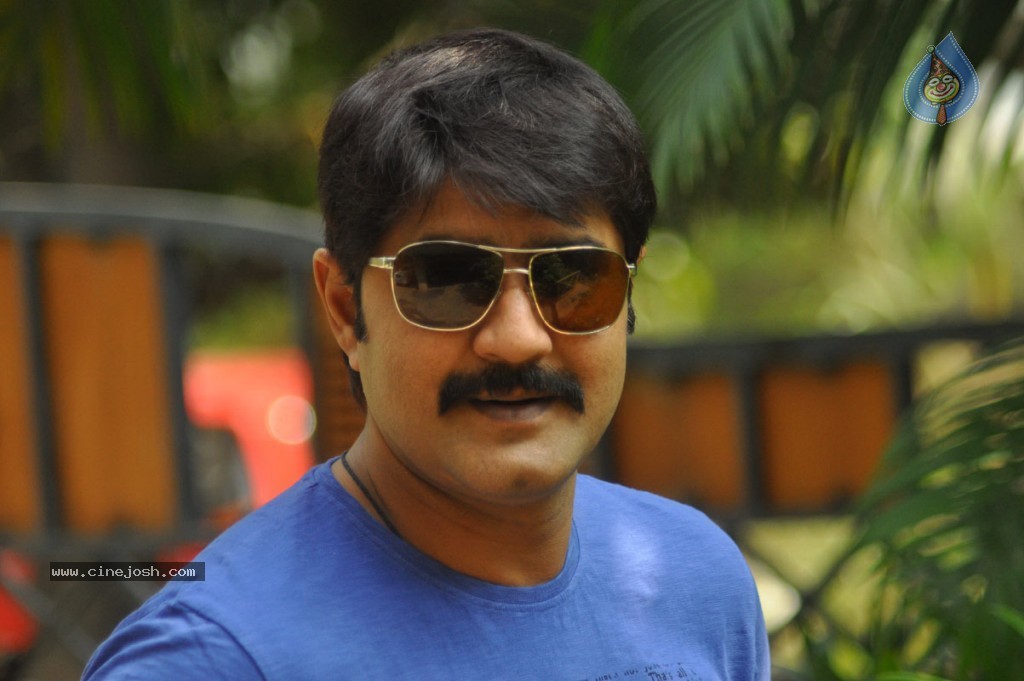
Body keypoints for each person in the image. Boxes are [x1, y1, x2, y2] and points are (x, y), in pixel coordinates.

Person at [83, 28, 770, 680]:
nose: (517, 338)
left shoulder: (693, 581)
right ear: (344, 309)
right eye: (446, 279)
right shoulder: (215, 657)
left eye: (571, 277)